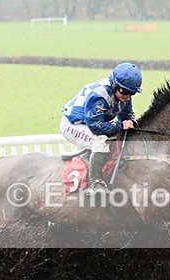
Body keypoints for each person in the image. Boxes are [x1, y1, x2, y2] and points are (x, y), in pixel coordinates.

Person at [60, 62, 142, 194]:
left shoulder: (124, 95)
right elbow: (96, 126)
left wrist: (132, 123)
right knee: (101, 142)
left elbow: (127, 116)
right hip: (73, 125)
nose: (127, 96)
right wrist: (120, 126)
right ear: (115, 85)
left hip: (91, 124)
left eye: (132, 93)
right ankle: (95, 183)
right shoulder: (99, 95)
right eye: (124, 92)